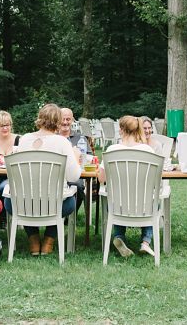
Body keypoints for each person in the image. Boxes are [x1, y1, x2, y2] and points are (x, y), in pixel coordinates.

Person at [6, 103, 80, 256]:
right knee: (70, 200)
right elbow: (73, 177)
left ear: (40, 119)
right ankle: (48, 239)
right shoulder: (62, 142)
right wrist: (76, 158)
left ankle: (33, 239)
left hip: (23, 204)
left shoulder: (24, 139)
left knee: (11, 200)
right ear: (58, 122)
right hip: (53, 205)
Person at [99, 115, 157, 257]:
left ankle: (119, 236)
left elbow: (101, 178)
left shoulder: (112, 149)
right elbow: (155, 180)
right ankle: (145, 242)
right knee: (154, 201)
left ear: (121, 130)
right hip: (144, 206)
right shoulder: (147, 150)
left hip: (119, 206)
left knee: (116, 198)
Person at [58, 107, 89, 211]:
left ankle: (71, 215)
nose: (65, 122)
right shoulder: (53, 137)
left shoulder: (81, 138)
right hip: (56, 175)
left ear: (72, 120)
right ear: (58, 119)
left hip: (75, 173)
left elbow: (89, 157)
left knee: (79, 185)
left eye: (68, 119)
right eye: (63, 119)